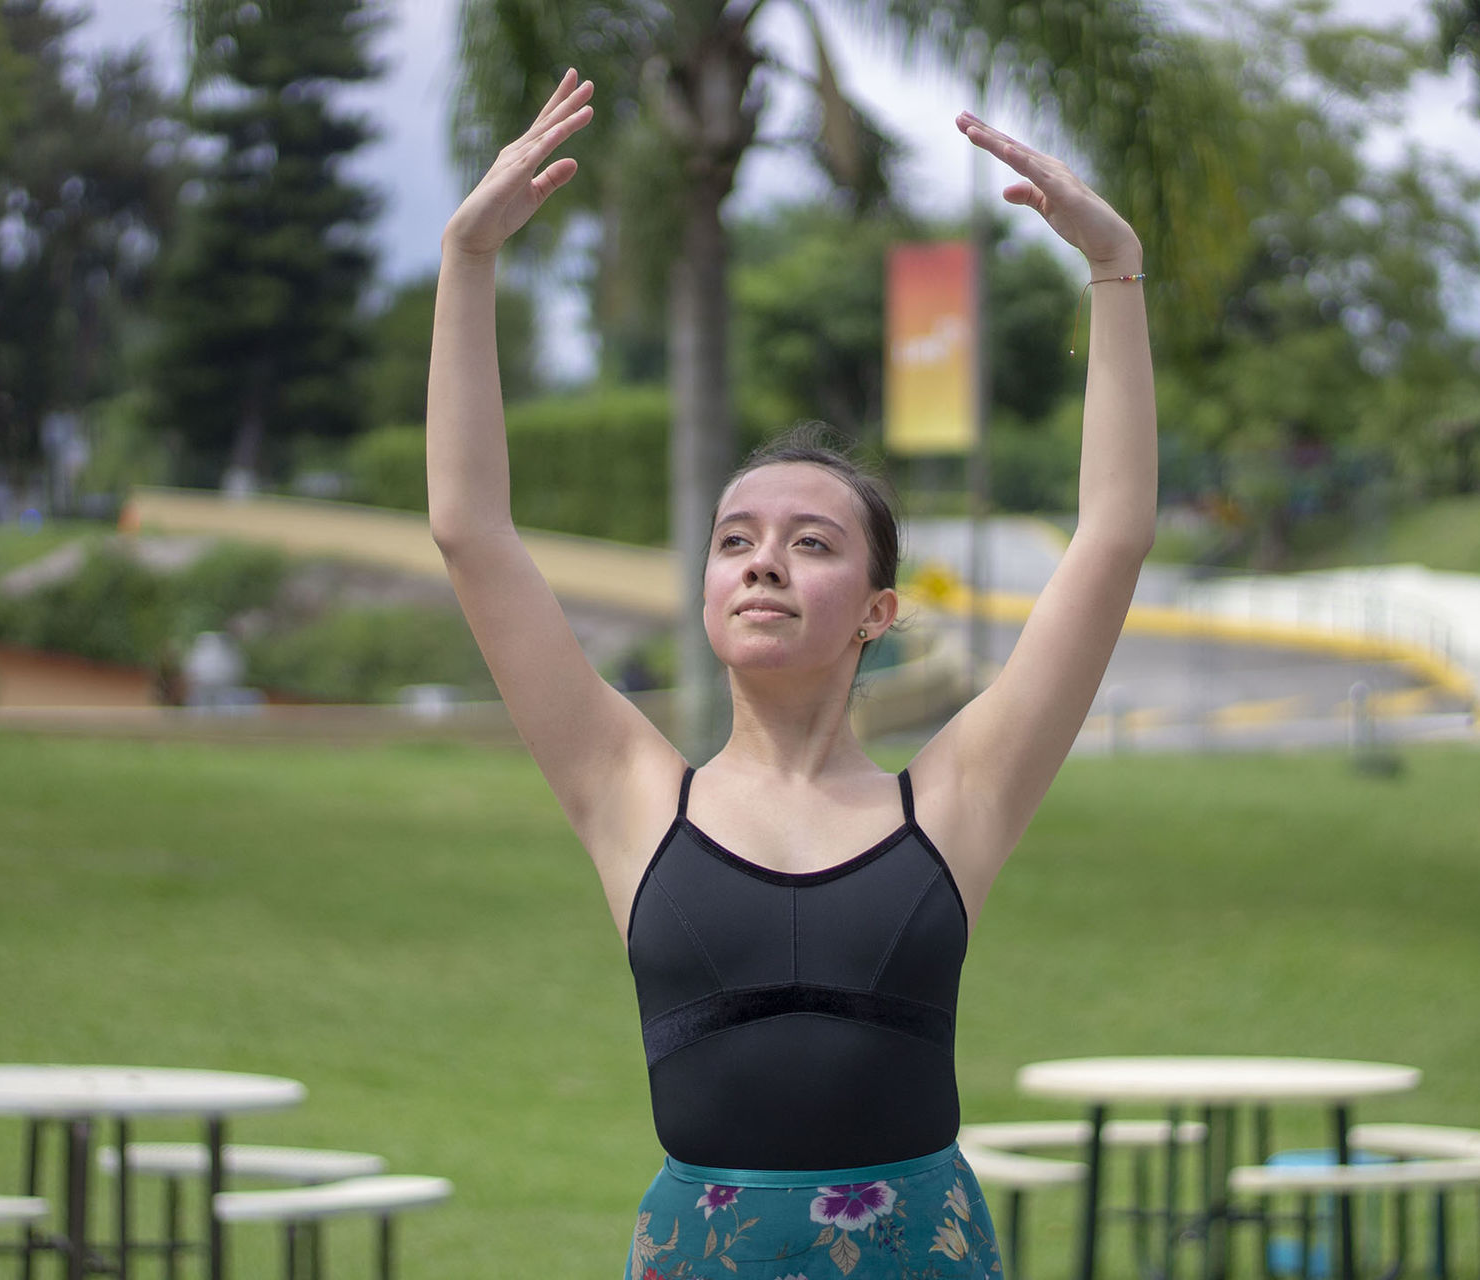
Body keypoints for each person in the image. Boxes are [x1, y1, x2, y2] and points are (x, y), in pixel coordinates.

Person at [429, 69, 1155, 1280]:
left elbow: (1112, 537)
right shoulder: (629, 790)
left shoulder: (956, 802)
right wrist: (466, 259)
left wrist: (1116, 277)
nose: (763, 560)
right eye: (735, 539)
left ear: (878, 611)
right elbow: (470, 530)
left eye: (810, 542)